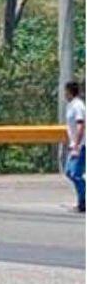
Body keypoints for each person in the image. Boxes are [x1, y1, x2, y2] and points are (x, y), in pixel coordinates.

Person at [64, 82, 85, 214]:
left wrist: (77, 145)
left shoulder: (78, 106)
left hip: (82, 145)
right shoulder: (71, 105)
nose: (64, 94)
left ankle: (83, 202)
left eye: (66, 92)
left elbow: (81, 125)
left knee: (75, 174)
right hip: (75, 145)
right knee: (69, 172)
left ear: (70, 92)